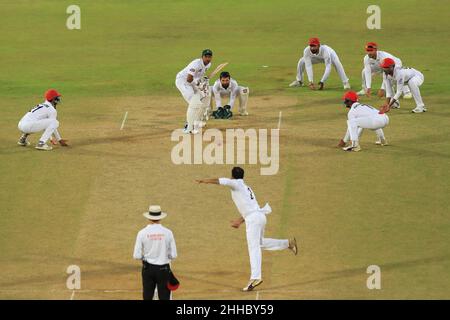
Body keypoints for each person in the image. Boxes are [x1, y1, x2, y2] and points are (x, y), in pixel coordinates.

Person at [196, 167, 298, 292]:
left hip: (254, 219)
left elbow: (222, 181)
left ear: (233, 176)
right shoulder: (246, 187)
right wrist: (240, 220)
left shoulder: (235, 183)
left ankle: (256, 277)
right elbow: (249, 209)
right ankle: (288, 243)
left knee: (253, 247)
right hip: (259, 216)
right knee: (259, 243)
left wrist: (205, 180)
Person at [133, 205, 178, 300]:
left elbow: (136, 255)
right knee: (164, 297)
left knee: (147, 297)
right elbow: (173, 255)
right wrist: (164, 256)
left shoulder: (142, 233)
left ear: (149, 217)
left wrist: (145, 258)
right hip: (163, 269)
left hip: (148, 269)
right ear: (160, 217)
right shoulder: (168, 232)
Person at [175, 49, 213, 133]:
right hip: (183, 82)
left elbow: (198, 76)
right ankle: (188, 127)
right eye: (206, 57)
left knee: (204, 97)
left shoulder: (208, 65)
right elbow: (189, 79)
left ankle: (197, 122)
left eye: (209, 57)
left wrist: (203, 80)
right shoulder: (195, 64)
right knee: (194, 103)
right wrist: (198, 83)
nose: (207, 58)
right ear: (202, 57)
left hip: (192, 82)